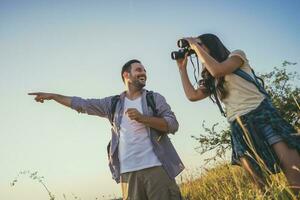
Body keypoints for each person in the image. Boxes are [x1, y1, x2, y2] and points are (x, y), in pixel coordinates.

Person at [29, 59, 184, 200]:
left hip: (156, 169)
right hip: (128, 174)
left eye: (144, 70)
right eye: (138, 70)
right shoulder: (113, 103)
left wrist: (143, 118)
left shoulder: (154, 98)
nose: (143, 73)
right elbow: (83, 104)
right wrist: (54, 96)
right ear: (126, 75)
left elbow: (172, 124)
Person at [175, 33, 300, 194]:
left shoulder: (236, 56)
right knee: (261, 187)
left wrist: (194, 45)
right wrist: (181, 69)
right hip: (239, 126)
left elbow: (218, 70)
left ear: (211, 45)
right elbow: (192, 96)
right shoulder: (211, 77)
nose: (196, 51)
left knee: (295, 177)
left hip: (263, 116)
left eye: (200, 45)